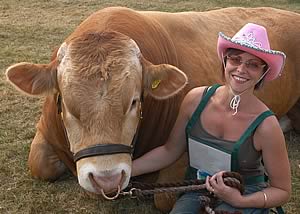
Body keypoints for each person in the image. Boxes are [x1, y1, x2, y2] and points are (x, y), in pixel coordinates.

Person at [131, 23, 291, 213]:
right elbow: (169, 151)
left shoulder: (266, 126)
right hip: (198, 189)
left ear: (263, 73)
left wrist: (240, 201)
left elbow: (281, 190)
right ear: (225, 60)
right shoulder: (195, 100)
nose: (241, 69)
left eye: (253, 64)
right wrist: (125, 172)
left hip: (246, 194)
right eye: (235, 59)